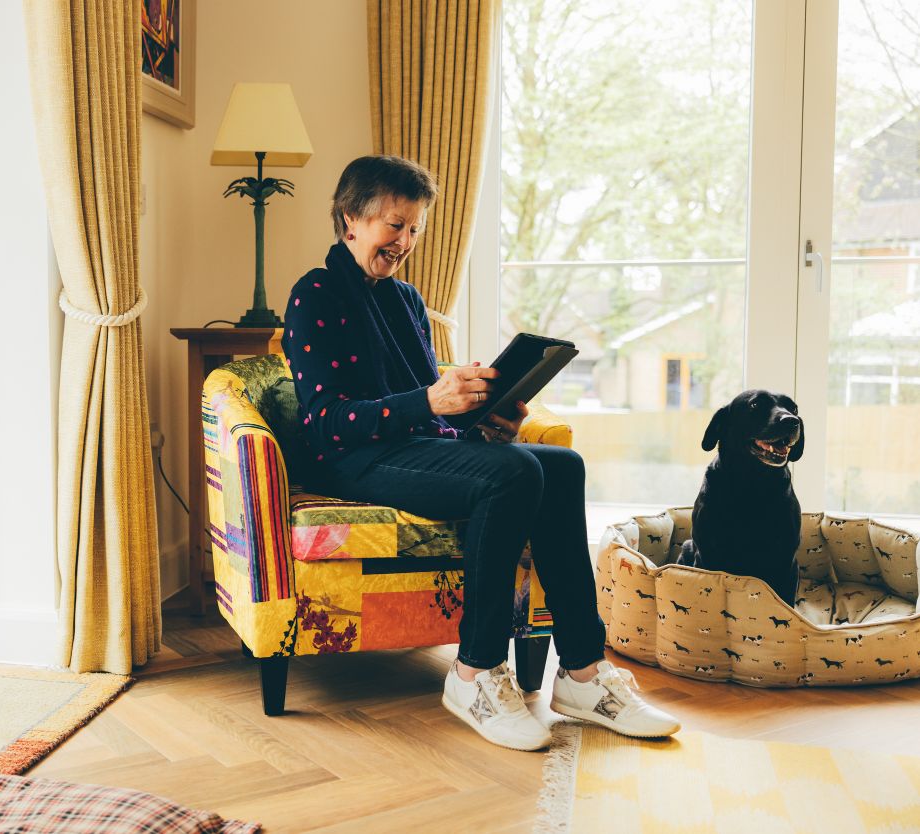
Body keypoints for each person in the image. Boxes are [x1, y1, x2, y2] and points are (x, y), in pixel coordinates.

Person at [280, 155, 680, 751]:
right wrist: (431, 402)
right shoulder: (313, 294)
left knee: (560, 465)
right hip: (351, 459)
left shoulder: (407, 301)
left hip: (411, 448)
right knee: (514, 474)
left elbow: (430, 411)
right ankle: (474, 673)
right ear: (349, 221)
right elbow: (328, 420)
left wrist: (484, 425)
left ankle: (582, 673)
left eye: (415, 228)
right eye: (395, 225)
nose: (407, 241)